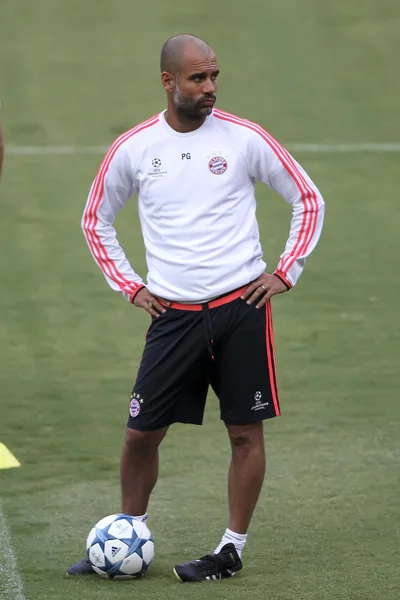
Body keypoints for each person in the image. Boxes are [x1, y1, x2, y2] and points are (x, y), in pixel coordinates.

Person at [68, 33, 325, 582]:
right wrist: (131, 286)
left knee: (243, 434)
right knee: (141, 435)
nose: (210, 88)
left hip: (241, 308)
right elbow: (96, 220)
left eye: (214, 76)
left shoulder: (244, 138)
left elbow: (308, 198)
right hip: (173, 317)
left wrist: (286, 270)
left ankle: (231, 548)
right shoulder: (135, 148)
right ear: (168, 82)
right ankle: (129, 533)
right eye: (197, 78)